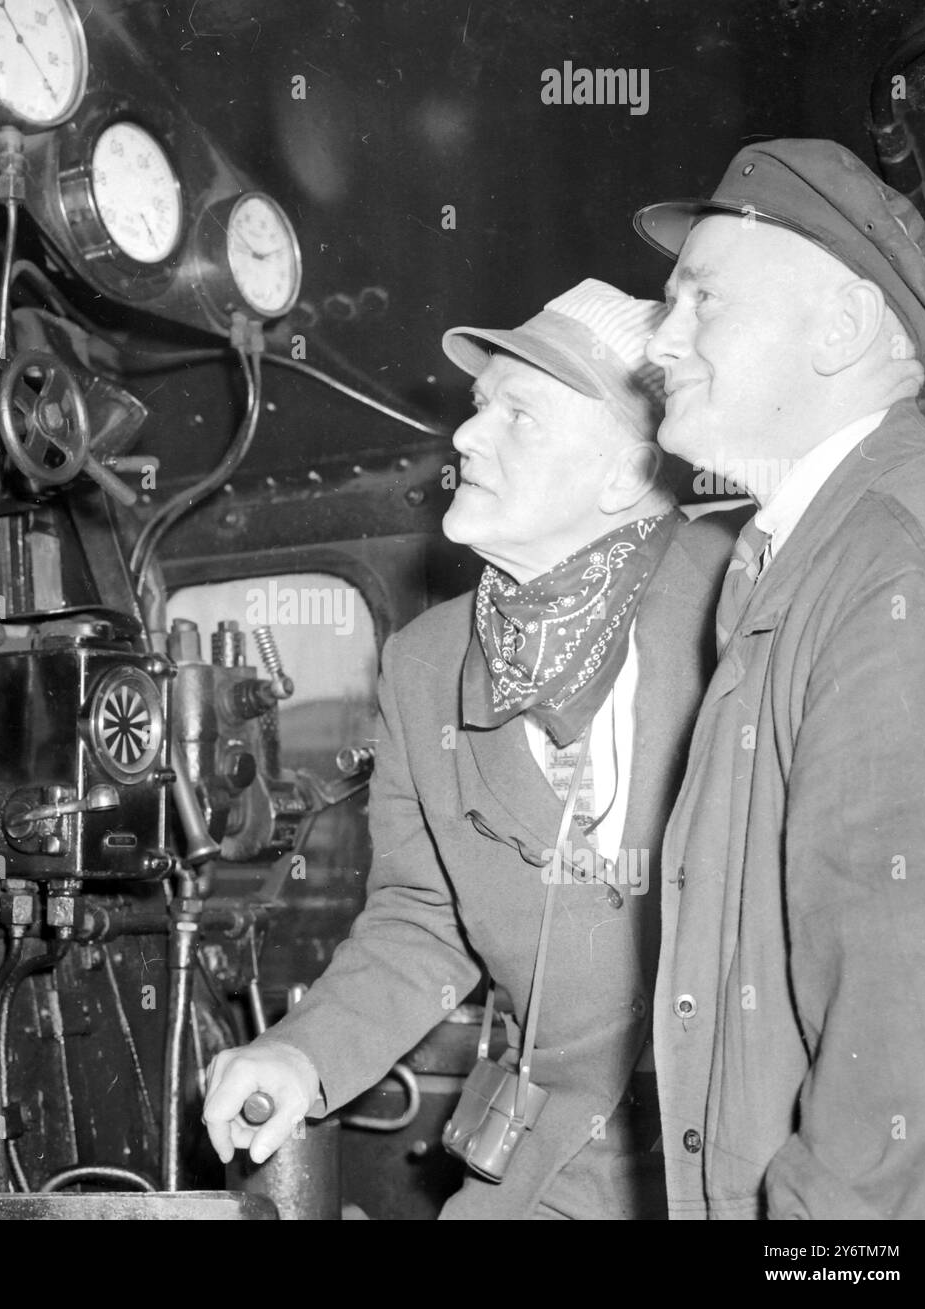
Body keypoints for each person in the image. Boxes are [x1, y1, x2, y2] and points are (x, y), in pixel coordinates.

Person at [202, 278, 740, 1219]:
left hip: (747, 1162)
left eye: (519, 416)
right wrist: (303, 1051)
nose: (465, 436)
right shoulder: (424, 665)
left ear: (627, 473)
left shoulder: (747, 602)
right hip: (554, 1169)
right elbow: (424, 916)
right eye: (479, 405)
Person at [635, 137, 925, 1219]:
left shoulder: (893, 559)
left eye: (699, 300)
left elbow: (909, 1039)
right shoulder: (812, 545)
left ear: (843, 326)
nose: (657, 344)